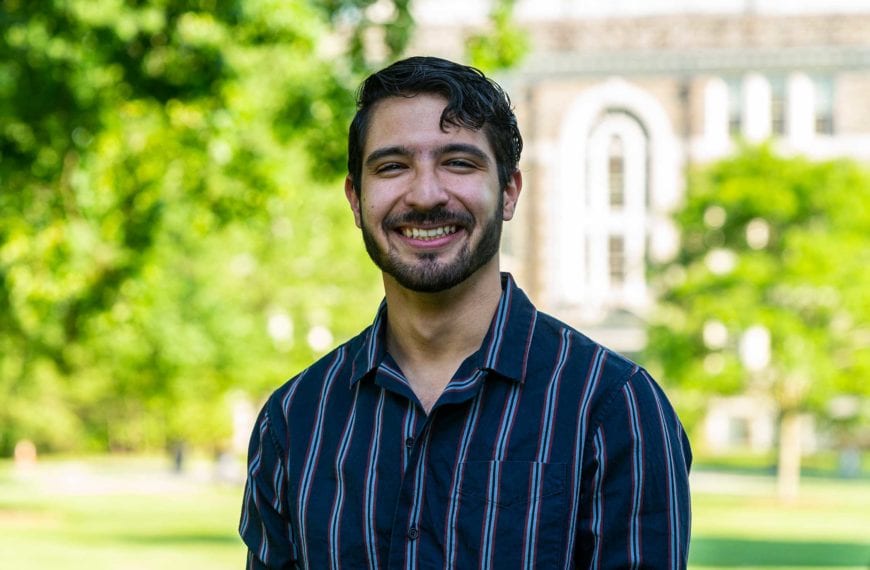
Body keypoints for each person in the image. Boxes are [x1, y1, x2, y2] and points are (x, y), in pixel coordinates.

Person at [239, 56, 692, 569]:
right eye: (392, 166)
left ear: (509, 191)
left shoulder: (615, 408)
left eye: (458, 162)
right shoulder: (297, 418)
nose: (426, 194)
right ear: (355, 199)